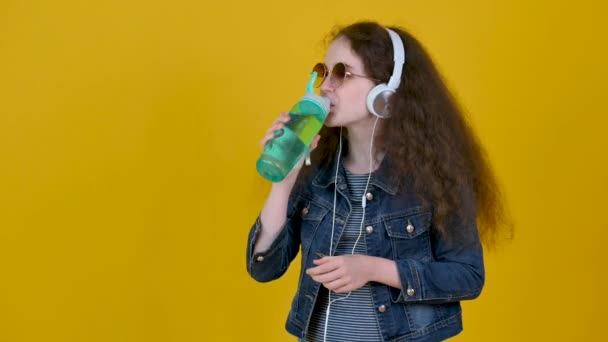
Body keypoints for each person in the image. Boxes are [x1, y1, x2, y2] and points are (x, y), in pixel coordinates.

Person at [246, 21, 510, 342]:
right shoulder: (315, 170)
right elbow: (263, 268)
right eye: (324, 72)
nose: (326, 86)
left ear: (385, 90)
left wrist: (373, 269)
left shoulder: (436, 178)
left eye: (343, 73)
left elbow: (468, 277)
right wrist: (284, 180)